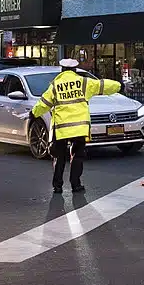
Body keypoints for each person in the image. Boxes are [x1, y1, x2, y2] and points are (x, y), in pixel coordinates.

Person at [30, 58, 121, 194]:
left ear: (62, 70)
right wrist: (120, 86)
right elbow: (102, 85)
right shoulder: (84, 83)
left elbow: (43, 103)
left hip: (61, 128)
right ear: (75, 70)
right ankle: (76, 185)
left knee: (59, 157)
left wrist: (33, 113)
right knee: (77, 156)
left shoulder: (55, 85)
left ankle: (58, 186)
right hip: (80, 128)